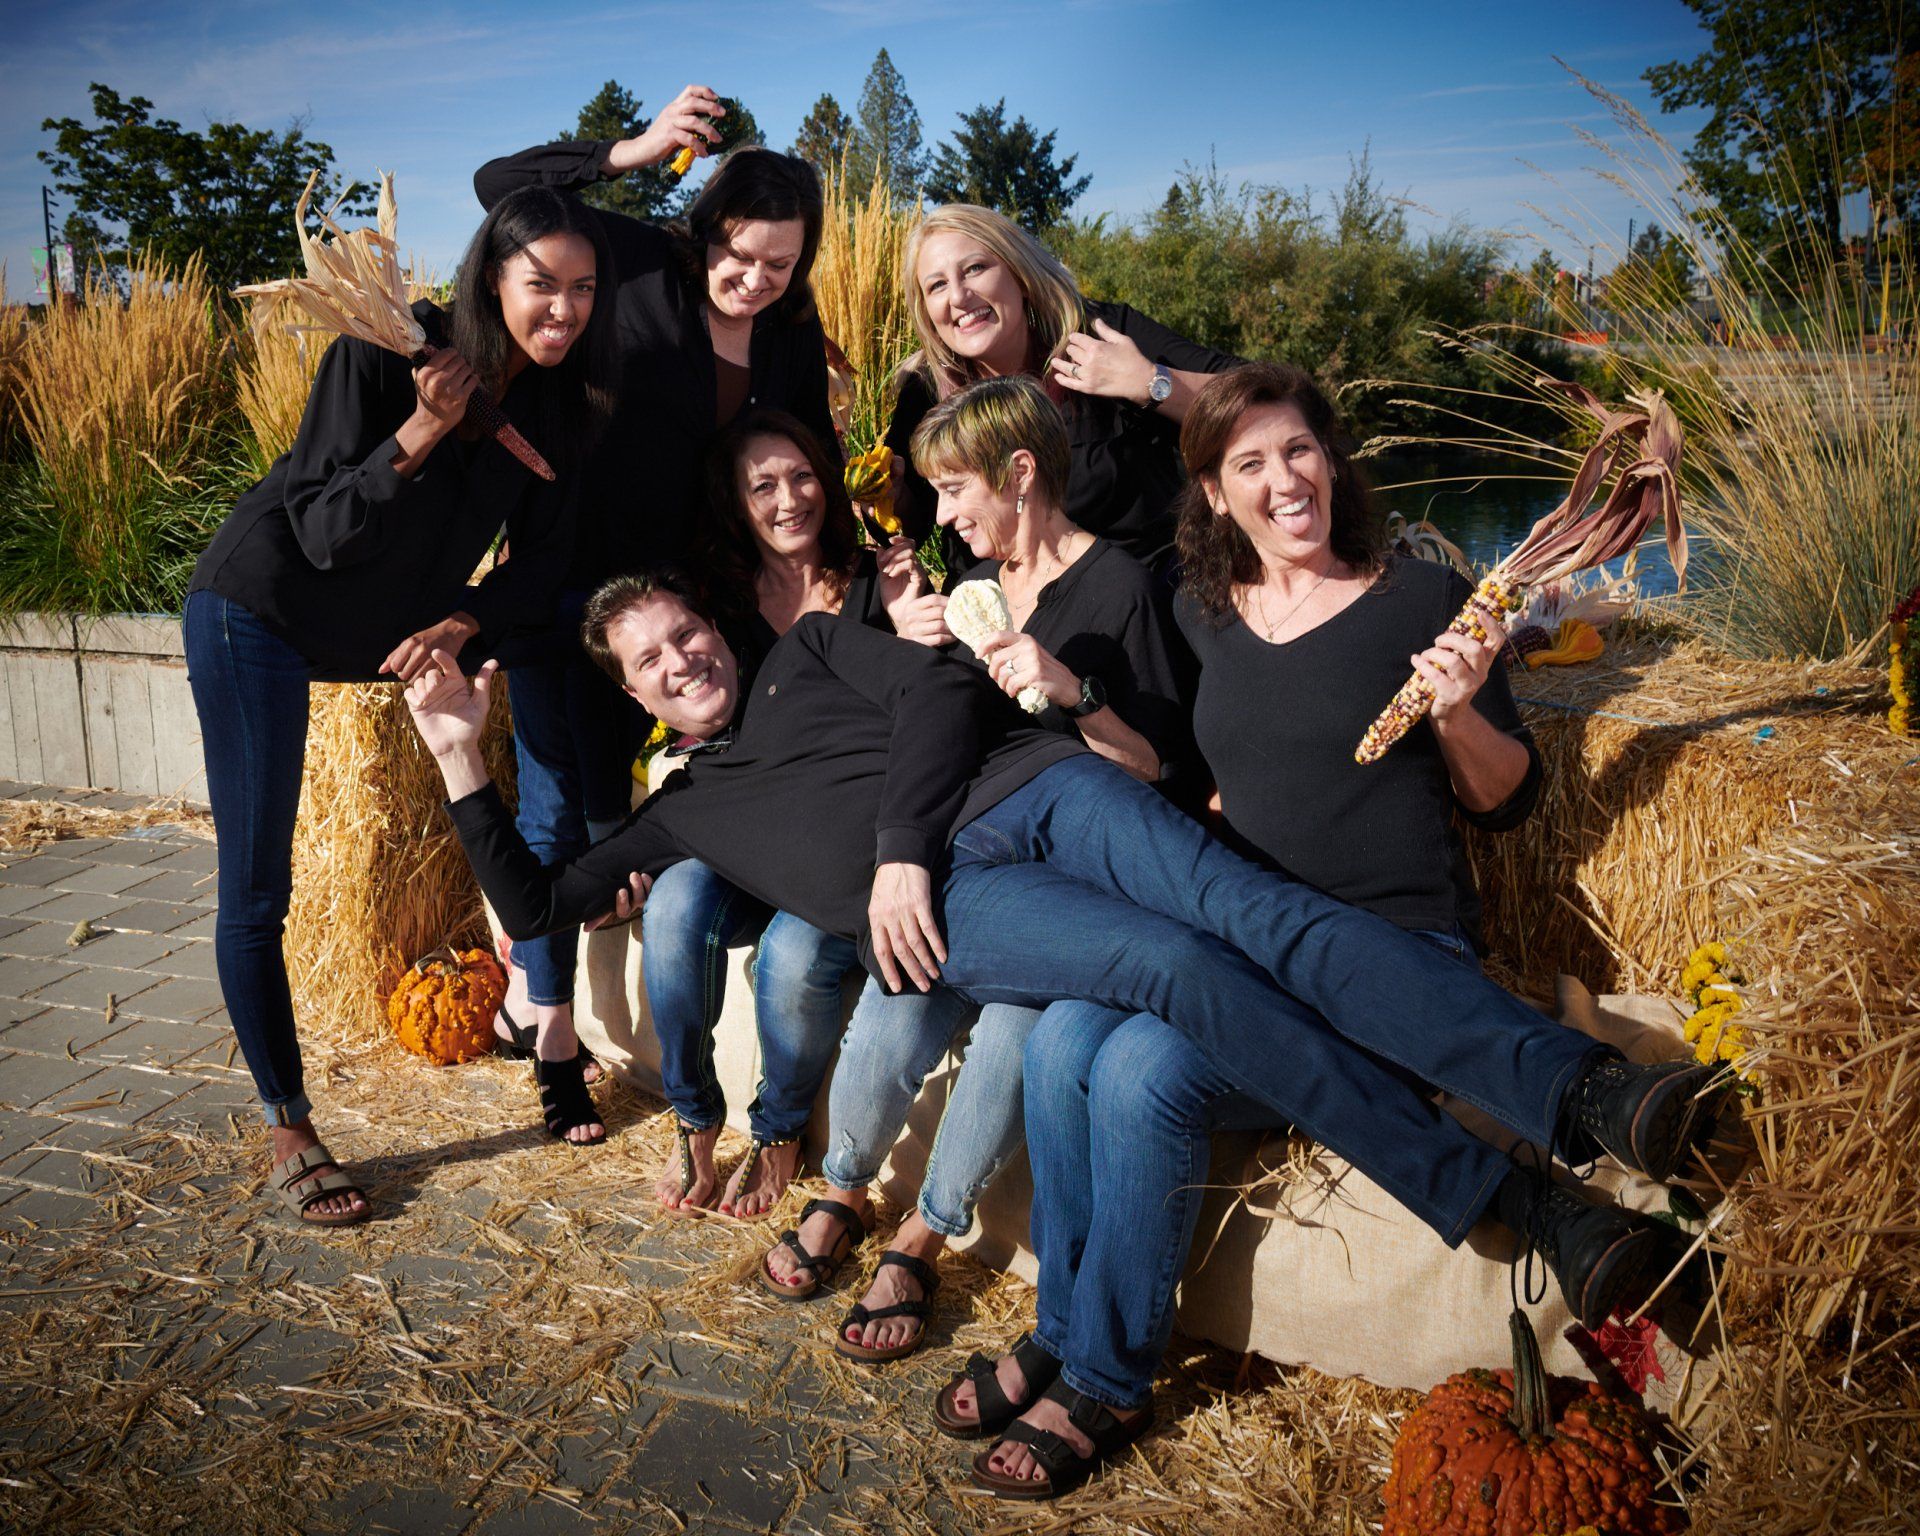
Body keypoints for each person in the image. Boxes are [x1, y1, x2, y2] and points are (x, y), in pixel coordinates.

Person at [402, 568, 1726, 1485]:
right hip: (971, 910)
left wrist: (897, 849)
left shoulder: (809, 651)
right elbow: (535, 900)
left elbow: (934, 690)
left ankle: (1586, 1092)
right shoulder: (682, 807)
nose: (681, 661)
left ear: (713, 627)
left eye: (685, 634)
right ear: (634, 693)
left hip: (1026, 790)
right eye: (650, 662)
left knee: (1242, 907)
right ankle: (1535, 1209)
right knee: (1172, 964)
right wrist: (463, 754)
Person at [949, 360, 1557, 1496]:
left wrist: (1463, 711)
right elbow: (1178, 761)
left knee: (1138, 1073)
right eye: (1250, 464)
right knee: (1070, 1030)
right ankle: (1064, 1324)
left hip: (1388, 961)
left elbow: (1507, 804)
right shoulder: (1203, 613)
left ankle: (1109, 1377)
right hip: (1248, 952)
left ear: (1331, 462)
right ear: (1214, 496)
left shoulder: (1421, 598)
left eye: (1299, 451)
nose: (1285, 480)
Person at [184, 186, 618, 1220]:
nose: (564, 309)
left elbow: (541, 561)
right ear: (491, 280)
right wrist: (423, 427)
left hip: (365, 639)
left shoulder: (556, 411)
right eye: (541, 285)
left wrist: (467, 621)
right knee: (258, 888)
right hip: (258, 610)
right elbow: (323, 530)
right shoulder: (382, 352)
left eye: (584, 290)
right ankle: (290, 1123)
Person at [759, 376, 1191, 1367]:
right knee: (893, 999)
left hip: (1073, 883)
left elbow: (1159, 774)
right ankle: (845, 1189)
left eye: (956, 491)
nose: (944, 515)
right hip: (967, 864)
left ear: (1022, 472)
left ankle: (925, 1233)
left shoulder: (1119, 586)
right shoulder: (968, 585)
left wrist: (1072, 693)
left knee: (1012, 1034)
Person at [473, 91, 837, 1125]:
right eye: (738, 252)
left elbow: (802, 467)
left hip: (688, 612)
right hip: (569, 583)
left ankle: (637, 994)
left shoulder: (789, 337)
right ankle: (551, 1037)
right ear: (705, 227)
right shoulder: (632, 262)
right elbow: (502, 192)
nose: (754, 278)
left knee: (635, 815)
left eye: (779, 263)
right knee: (550, 812)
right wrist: (631, 151)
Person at [641, 409, 946, 1216]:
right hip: (753, 838)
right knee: (673, 904)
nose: (788, 499)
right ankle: (695, 1122)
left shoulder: (882, 579)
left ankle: (777, 1131)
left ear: (830, 477)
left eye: (803, 475)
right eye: (763, 485)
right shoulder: (716, 601)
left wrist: (917, 629)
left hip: (842, 842)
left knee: (791, 952)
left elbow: (919, 705)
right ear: (735, 502)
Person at [882, 203, 1238, 571]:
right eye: (937, 285)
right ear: (925, 308)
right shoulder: (925, 392)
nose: (958, 297)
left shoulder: (1100, 335)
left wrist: (1150, 383)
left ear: (1019, 273)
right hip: (996, 616)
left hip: (1140, 602)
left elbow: (1266, 400)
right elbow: (913, 523)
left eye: (974, 269)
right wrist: (887, 496)